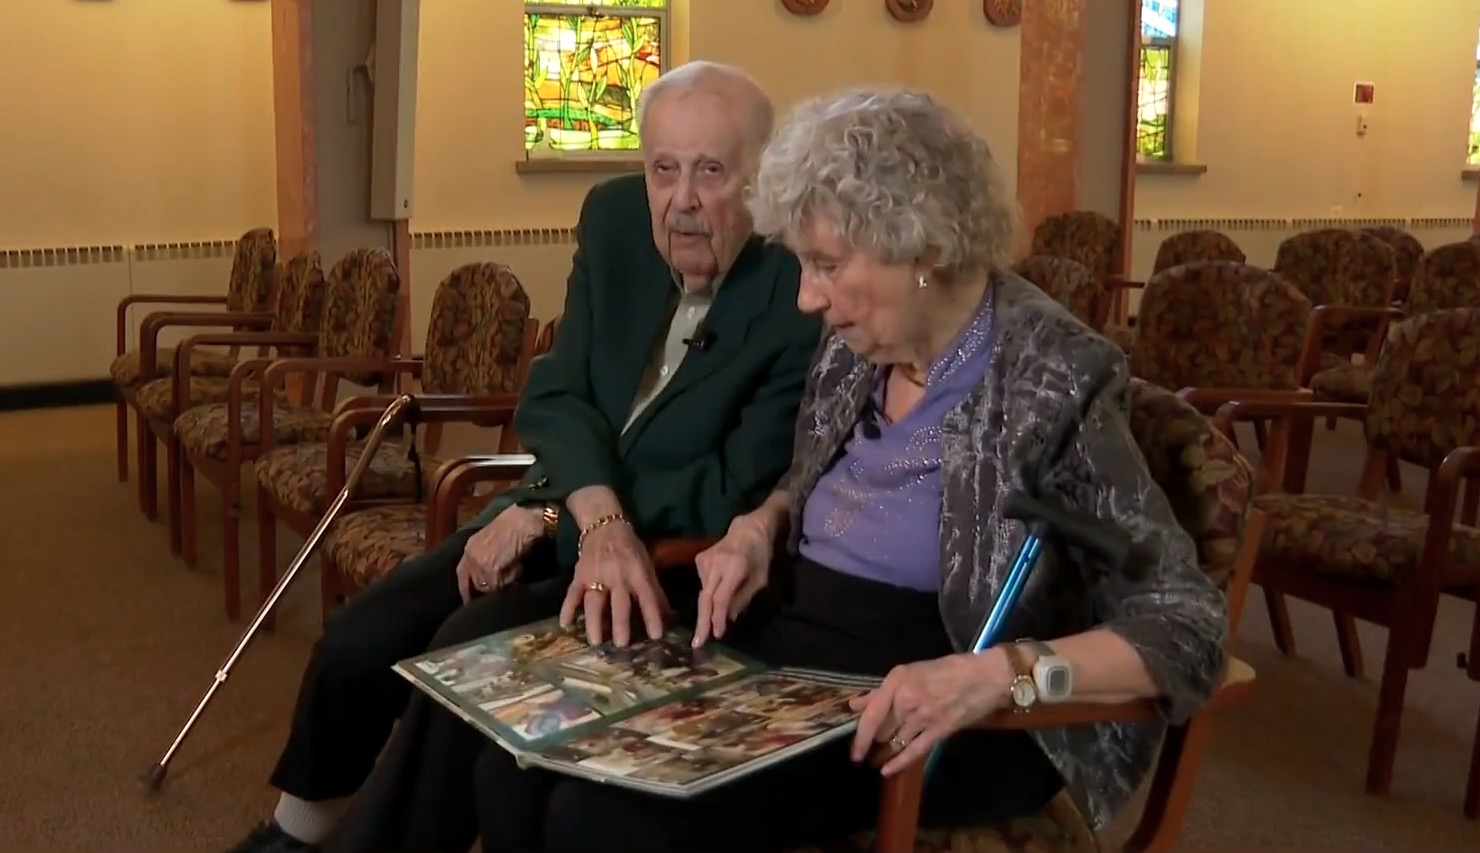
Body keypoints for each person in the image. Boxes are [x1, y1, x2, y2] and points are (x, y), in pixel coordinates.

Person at [463, 87, 1232, 851]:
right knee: (515, 768)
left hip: (927, 704)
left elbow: (1186, 629)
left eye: (826, 264)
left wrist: (1004, 675)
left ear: (923, 247)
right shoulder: (861, 345)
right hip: (781, 655)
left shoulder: (1052, 381)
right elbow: (811, 478)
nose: (806, 297)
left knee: (604, 819)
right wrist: (763, 525)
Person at [224, 60, 822, 853]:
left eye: (711, 173)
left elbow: (723, 486)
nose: (681, 201)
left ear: (762, 182)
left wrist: (566, 517)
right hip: (559, 506)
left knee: (461, 656)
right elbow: (555, 393)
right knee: (358, 639)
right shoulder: (613, 221)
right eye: (663, 170)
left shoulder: (798, 290)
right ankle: (292, 835)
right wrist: (561, 508)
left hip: (656, 563)